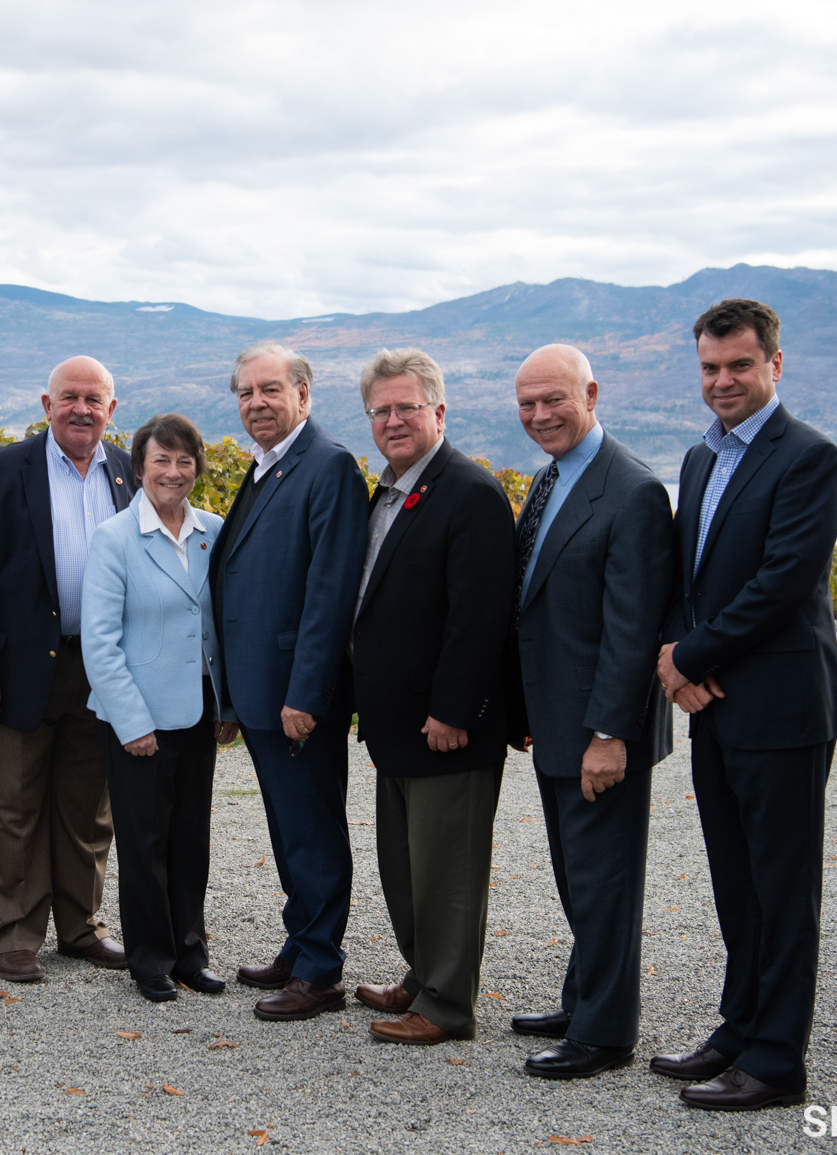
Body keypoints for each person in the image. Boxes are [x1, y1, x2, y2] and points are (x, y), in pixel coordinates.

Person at [654, 299, 837, 1110]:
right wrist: (676, 663)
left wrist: (685, 656)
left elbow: (780, 584)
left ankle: (775, 1061)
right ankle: (738, 1025)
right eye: (709, 367)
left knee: (781, 886)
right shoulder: (701, 459)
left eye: (738, 365)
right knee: (735, 882)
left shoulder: (810, 458)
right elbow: (686, 574)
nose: (722, 380)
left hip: (780, 706)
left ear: (775, 364)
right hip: (714, 704)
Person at [506, 344, 674, 1077]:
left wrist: (610, 733)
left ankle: (604, 1033)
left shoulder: (630, 489)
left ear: (592, 393)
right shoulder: (551, 480)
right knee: (578, 877)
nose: (539, 415)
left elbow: (632, 627)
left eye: (554, 400)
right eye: (527, 404)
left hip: (598, 730)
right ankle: (582, 996)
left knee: (604, 881)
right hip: (555, 720)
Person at [0, 356, 138, 983]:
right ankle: (14, 933)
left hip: (102, 666)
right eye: (69, 397)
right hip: (16, 668)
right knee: (14, 805)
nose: (81, 408)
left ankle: (81, 927)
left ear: (112, 409)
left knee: (88, 805)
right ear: (45, 404)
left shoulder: (128, 472)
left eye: (94, 399)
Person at [348, 349, 517, 1046]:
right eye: (380, 410)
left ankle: (448, 1004)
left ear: (438, 412)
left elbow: (479, 616)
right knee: (405, 864)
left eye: (406, 407)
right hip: (395, 725)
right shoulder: (386, 490)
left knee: (445, 868)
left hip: (444, 726)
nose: (392, 420)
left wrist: (453, 708)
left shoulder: (468, 492)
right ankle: (423, 972)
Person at [211, 343, 369, 1022]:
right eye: (245, 393)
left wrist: (305, 691)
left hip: (295, 695)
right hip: (260, 691)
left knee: (310, 828)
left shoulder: (327, 465)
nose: (256, 404)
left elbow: (329, 590)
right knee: (286, 824)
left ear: (303, 393)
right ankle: (299, 941)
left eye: (270, 390)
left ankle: (320, 970)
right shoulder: (266, 467)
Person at [81, 415, 238, 1002]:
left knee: (190, 838)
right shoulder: (114, 538)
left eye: (184, 461)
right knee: (144, 843)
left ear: (196, 466)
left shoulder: (213, 532)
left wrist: (228, 703)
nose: (173, 472)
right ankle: (149, 958)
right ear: (139, 468)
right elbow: (100, 641)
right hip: (138, 716)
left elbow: (219, 625)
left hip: (199, 709)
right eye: (160, 461)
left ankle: (190, 954)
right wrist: (132, 721)